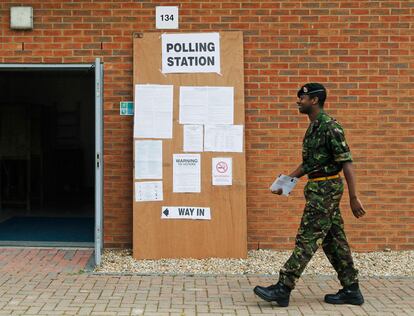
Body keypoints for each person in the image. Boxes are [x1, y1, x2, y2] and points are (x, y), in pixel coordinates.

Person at [253, 83, 366, 307]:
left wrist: (354, 197)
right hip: (317, 189)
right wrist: (285, 183)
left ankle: (283, 287)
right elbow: (309, 164)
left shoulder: (330, 127)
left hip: (326, 190)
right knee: (334, 241)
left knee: (307, 238)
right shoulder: (313, 127)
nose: (298, 101)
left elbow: (347, 163)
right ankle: (351, 289)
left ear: (314, 100)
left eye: (302, 97)